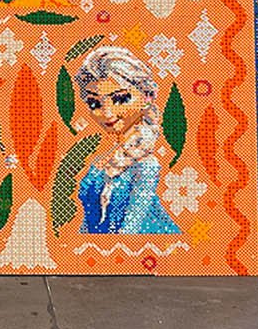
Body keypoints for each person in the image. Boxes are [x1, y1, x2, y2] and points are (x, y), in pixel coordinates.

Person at [73, 45, 180, 234]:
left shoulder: (146, 166)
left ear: (147, 97)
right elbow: (89, 222)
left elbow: (132, 228)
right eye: (94, 103)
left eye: (120, 99)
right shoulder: (103, 160)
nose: (107, 113)